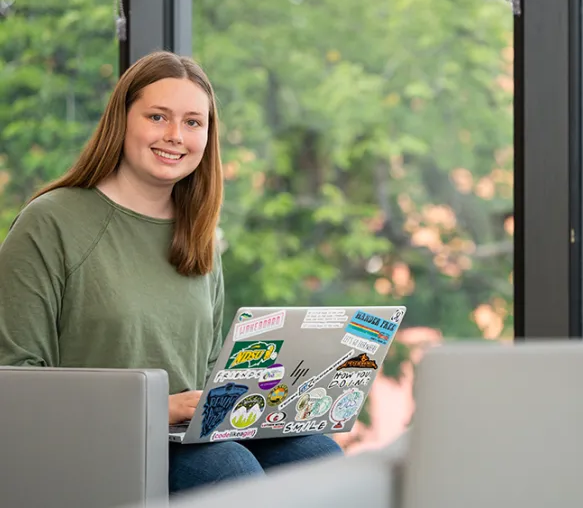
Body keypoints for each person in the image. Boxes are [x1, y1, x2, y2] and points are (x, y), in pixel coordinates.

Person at [0, 51, 342, 493]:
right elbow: (15, 378)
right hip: (90, 442)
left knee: (319, 456)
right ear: (122, 120)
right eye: (158, 117)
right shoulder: (51, 221)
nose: (175, 136)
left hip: (185, 437)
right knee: (230, 469)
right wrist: (157, 408)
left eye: (193, 122)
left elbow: (206, 369)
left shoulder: (199, 233)